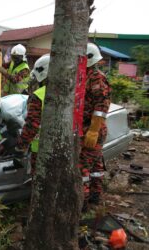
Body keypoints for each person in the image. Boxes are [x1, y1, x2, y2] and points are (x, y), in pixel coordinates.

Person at [79, 43, 111, 207]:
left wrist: (93, 130)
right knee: (96, 166)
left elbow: (101, 106)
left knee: (82, 166)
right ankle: (95, 196)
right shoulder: (86, 75)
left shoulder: (96, 77)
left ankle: (82, 203)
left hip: (92, 129)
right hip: (91, 128)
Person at [13, 54, 50, 173]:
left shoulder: (39, 95)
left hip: (41, 148)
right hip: (62, 147)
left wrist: (20, 147)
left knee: (39, 180)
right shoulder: (69, 92)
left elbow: (31, 125)